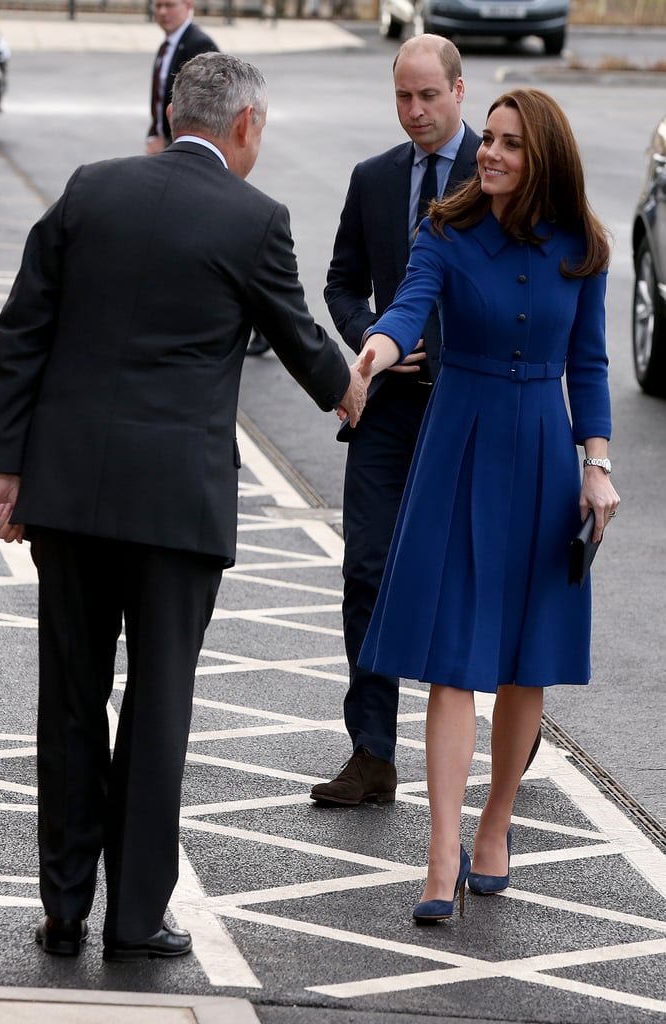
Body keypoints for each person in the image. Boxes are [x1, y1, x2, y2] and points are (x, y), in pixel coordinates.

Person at [0, 52, 369, 963]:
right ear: (243, 128)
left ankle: (64, 909)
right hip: (174, 513)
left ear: (174, 112)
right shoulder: (253, 218)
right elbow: (297, 334)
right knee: (157, 710)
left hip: (70, 497)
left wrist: (8, 467)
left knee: (70, 702)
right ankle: (135, 919)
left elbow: (21, 326)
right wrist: (348, 390)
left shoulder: (91, 189)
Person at [349, 87, 620, 922]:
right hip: (458, 440)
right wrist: (373, 353)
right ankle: (439, 854)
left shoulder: (584, 247)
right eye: (489, 140)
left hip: (543, 447)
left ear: (543, 158)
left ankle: (496, 823)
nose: (489, 154)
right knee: (453, 660)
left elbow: (592, 364)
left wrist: (597, 464)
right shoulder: (446, 228)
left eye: (507, 144)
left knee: (522, 661)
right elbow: (407, 306)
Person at [312, 35, 482, 806]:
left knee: (474, 577)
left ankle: (507, 716)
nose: (415, 112)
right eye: (403, 97)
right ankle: (372, 752)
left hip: (473, 409)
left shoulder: (501, 169)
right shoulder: (374, 178)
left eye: (428, 96)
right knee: (367, 570)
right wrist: (372, 336)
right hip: (388, 410)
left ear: (458, 90)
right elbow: (341, 283)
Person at [146, 0, 217, 155]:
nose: (163, 12)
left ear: (188, 6)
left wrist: (168, 145)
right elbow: (159, 99)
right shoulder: (167, 46)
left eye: (169, 5)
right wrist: (153, 135)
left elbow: (207, 109)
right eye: (158, 6)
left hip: (182, 151)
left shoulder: (199, 45)